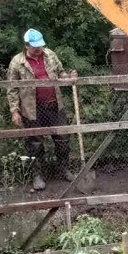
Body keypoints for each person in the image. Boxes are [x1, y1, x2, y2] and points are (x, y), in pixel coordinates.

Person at [7, 29, 78, 190]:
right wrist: (15, 111)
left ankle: (63, 169)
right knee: (35, 144)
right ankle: (38, 175)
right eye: (35, 46)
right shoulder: (17, 62)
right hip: (32, 109)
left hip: (55, 105)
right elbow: (12, 88)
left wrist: (69, 77)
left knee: (63, 140)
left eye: (40, 45)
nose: (38, 49)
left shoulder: (50, 55)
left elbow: (60, 73)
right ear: (27, 45)